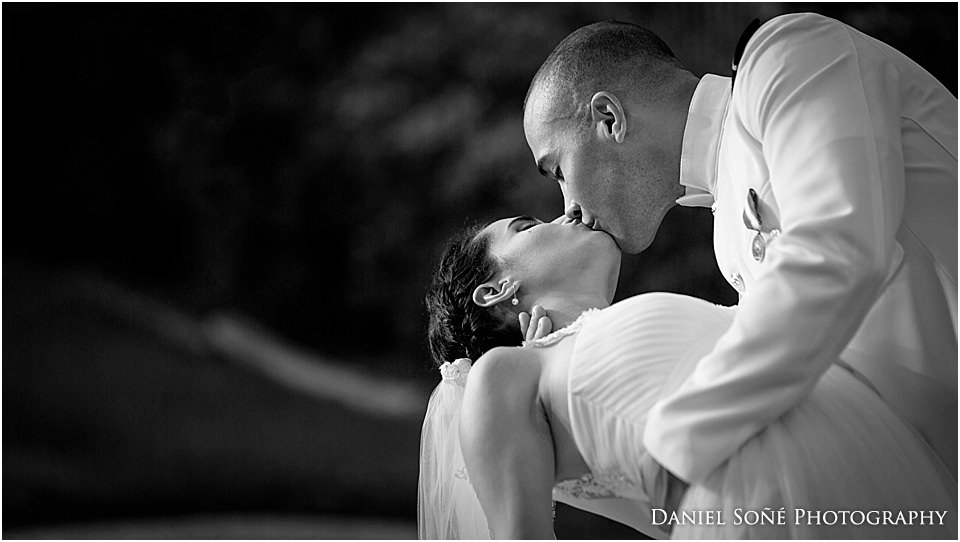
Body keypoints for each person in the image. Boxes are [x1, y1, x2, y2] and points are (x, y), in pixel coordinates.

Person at [521, 13, 958, 508]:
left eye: (557, 170)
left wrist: (680, 444)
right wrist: (572, 350)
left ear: (609, 119)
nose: (567, 209)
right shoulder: (725, 237)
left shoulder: (790, 55)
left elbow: (835, 249)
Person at [417, 215, 956, 539]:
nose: (566, 214)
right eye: (527, 226)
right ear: (495, 291)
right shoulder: (505, 373)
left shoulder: (594, 366)